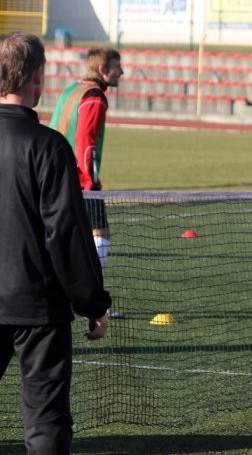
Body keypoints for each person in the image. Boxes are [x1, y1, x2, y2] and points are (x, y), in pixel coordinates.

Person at [0, 31, 111, 454]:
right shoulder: (48, 146)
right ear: (37, 77)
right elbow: (67, 233)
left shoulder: (49, 145)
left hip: (30, 304)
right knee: (46, 421)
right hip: (37, 307)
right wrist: (93, 303)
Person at [49, 46, 124, 317]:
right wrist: (90, 182)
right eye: (117, 67)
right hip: (80, 181)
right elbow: (86, 141)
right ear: (103, 70)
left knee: (63, 239)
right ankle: (92, 301)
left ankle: (60, 295)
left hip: (54, 174)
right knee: (100, 235)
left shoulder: (72, 89)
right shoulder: (94, 96)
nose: (122, 72)